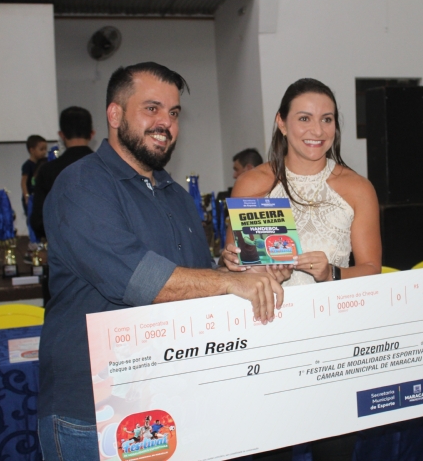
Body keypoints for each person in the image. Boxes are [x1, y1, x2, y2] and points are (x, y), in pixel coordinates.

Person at [37, 62, 288, 461]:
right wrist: (227, 283)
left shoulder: (176, 196)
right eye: (151, 108)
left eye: (173, 113)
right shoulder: (80, 185)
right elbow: (138, 279)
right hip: (93, 414)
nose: (165, 123)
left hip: (167, 404)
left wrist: (238, 271)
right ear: (115, 114)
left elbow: (193, 285)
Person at [222, 78, 382, 287]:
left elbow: (372, 269)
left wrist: (331, 273)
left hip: (333, 306)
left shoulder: (358, 189)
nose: (318, 131)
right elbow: (235, 272)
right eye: (305, 119)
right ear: (282, 123)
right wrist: (235, 264)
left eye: (326, 119)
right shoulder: (251, 184)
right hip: (270, 307)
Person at [30, 106, 95, 241]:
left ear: (61, 135)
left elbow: (38, 221)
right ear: (92, 134)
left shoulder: (47, 171)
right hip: (102, 249)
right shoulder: (108, 168)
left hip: (63, 247)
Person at [21, 135, 47, 215]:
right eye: (41, 149)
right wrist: (27, 196)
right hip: (31, 197)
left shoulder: (44, 163)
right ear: (32, 150)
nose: (44, 152)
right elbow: (23, 182)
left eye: (45, 149)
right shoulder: (28, 165)